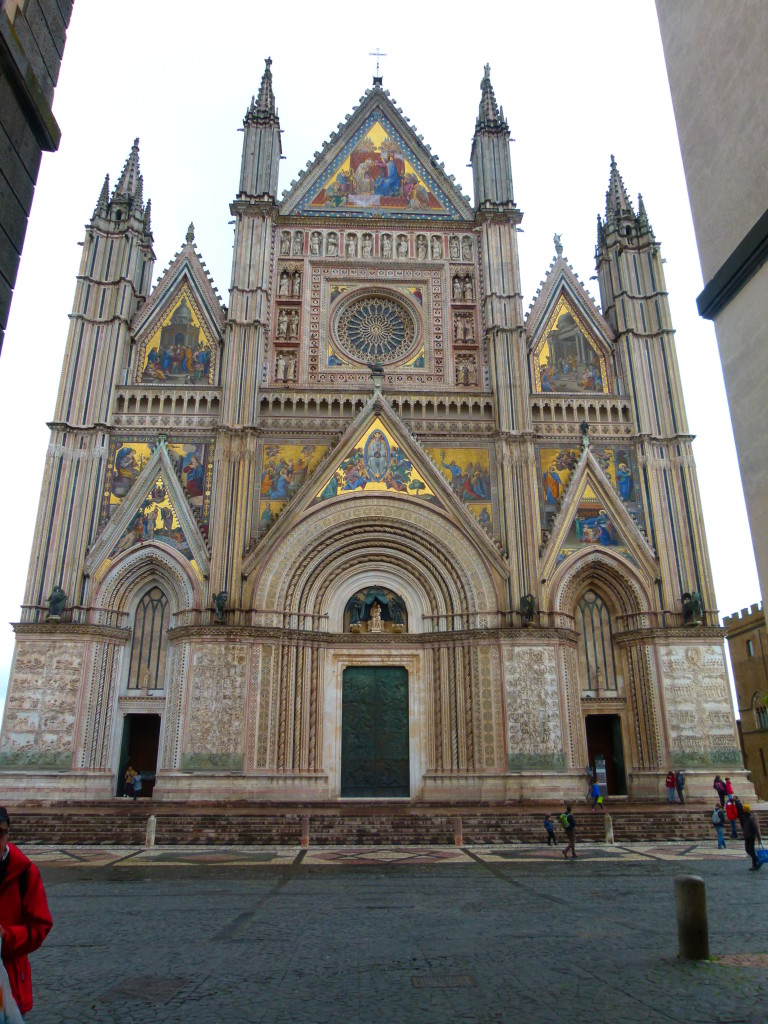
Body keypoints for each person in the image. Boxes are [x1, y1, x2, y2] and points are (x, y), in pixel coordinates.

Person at [0, 807, 53, 1017]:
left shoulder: (24, 872)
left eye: (0, 833)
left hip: (10, 980)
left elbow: (40, 926)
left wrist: (7, 937)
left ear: (7, 834)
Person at [742, 804, 763, 871]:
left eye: (743, 808)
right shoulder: (745, 817)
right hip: (747, 836)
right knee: (748, 850)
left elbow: (755, 828)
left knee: (751, 850)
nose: (742, 809)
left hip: (751, 836)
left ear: (746, 809)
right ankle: (757, 861)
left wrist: (758, 837)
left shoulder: (750, 818)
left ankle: (755, 864)